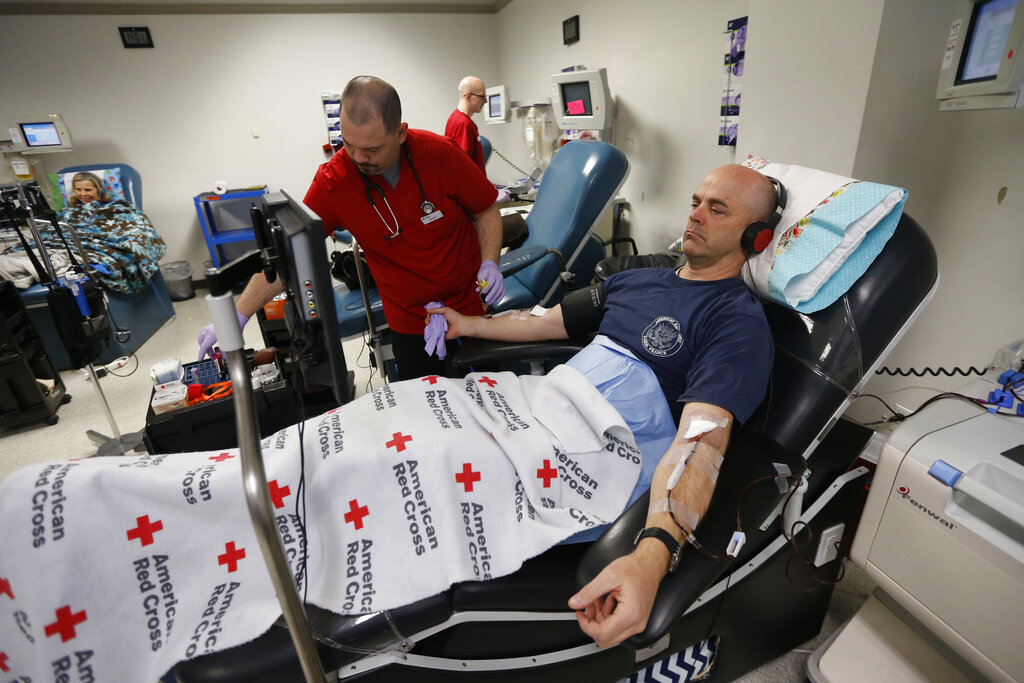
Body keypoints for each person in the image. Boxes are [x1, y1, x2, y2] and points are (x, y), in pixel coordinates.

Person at [428, 163, 779, 648]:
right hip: (534, 416)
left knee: (438, 491)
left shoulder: (735, 322)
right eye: (696, 201)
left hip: (593, 457)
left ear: (756, 237)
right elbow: (543, 324)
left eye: (716, 209)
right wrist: (466, 325)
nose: (695, 216)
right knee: (420, 437)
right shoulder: (635, 279)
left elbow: (702, 444)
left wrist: (651, 557)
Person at [197, 76, 505, 379]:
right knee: (429, 409)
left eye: (371, 149)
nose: (358, 158)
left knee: (491, 399)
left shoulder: (440, 154)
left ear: (400, 133)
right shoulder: (334, 182)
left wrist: (490, 262)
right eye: (348, 144)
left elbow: (486, 209)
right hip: (410, 321)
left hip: (470, 308)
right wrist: (239, 314)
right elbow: (290, 255)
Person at [445, 75, 488, 173]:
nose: (485, 101)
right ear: (468, 96)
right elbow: (461, 166)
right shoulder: (464, 124)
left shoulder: (454, 117)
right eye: (482, 96)